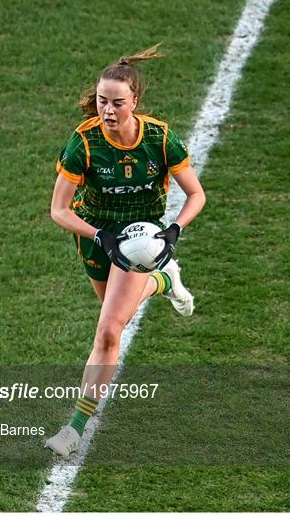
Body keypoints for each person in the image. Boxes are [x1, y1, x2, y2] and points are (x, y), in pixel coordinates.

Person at [46, 43, 206, 457]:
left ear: (135, 101)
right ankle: (163, 279)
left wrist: (172, 231)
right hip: (96, 235)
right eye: (102, 101)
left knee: (109, 330)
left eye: (117, 102)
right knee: (116, 315)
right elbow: (59, 210)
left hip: (141, 235)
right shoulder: (83, 143)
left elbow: (196, 195)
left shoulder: (159, 138)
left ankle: (73, 429)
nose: (108, 110)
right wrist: (100, 237)